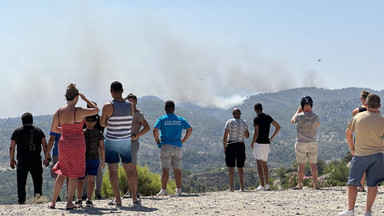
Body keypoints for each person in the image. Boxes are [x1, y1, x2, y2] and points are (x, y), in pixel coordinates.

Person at [48, 83, 99, 209]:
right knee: (74, 174)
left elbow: (54, 129)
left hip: (64, 143)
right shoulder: (79, 111)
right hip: (77, 144)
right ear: (76, 96)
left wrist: (66, 131)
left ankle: (53, 202)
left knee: (62, 172)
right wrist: (86, 99)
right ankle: (69, 202)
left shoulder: (58, 112)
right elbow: (96, 110)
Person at [339, 94, 384, 216]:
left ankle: (350, 210)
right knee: (373, 184)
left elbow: (348, 134)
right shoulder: (382, 120)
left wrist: (352, 148)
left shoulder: (358, 117)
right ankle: (368, 211)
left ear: (366, 105)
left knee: (352, 182)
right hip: (378, 155)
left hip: (360, 154)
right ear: (379, 106)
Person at [100, 81, 139, 206]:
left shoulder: (107, 106)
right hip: (125, 141)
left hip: (111, 141)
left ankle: (118, 199)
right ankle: (134, 197)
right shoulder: (131, 105)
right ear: (122, 90)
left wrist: (109, 122)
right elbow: (130, 119)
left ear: (111, 92)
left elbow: (102, 123)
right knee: (130, 170)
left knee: (113, 171)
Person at [153, 100, 192, 196]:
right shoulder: (180, 119)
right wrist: (183, 140)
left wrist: (157, 141)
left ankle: (163, 190)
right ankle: (178, 190)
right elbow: (190, 129)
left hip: (165, 145)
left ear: (165, 109)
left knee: (165, 170)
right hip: (178, 146)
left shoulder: (162, 119)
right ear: (174, 109)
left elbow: (155, 129)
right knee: (177, 169)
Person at [9, 112, 49, 204]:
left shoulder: (17, 132)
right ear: (32, 120)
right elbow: (45, 145)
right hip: (36, 160)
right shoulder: (38, 131)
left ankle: (21, 201)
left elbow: (12, 146)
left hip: (22, 161)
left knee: (21, 182)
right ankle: (38, 199)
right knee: (37, 180)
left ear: (22, 121)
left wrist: (12, 159)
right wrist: (47, 157)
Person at [123, 93, 150, 198]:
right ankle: (130, 191)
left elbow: (147, 127)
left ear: (135, 102)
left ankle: (135, 192)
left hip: (133, 143)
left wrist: (136, 135)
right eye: (127, 101)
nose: (129, 103)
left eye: (131, 101)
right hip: (123, 143)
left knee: (132, 168)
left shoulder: (138, 114)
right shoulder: (124, 114)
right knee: (126, 168)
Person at [291, 96, 320, 190]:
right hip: (312, 142)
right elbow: (318, 124)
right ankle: (316, 184)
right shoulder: (315, 116)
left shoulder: (299, 116)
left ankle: (299, 185)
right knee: (313, 165)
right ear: (311, 104)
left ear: (302, 105)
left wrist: (297, 112)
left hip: (301, 143)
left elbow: (292, 121)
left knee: (301, 165)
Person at [76, 114, 105, 207]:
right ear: (95, 122)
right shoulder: (98, 133)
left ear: (85, 121)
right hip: (94, 159)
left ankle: (79, 199)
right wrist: (103, 160)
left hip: (82, 159)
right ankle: (89, 199)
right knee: (91, 180)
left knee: (80, 180)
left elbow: (77, 147)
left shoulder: (81, 132)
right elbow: (101, 148)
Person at [251, 103, 280, 191]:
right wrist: (271, 137)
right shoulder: (268, 117)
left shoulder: (256, 119)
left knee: (259, 164)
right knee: (265, 164)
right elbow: (278, 127)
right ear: (262, 109)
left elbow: (256, 133)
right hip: (266, 143)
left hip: (258, 143)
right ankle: (267, 184)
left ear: (255, 110)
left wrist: (252, 142)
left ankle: (262, 185)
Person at [81, 102, 104, 201]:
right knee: (97, 172)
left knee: (84, 174)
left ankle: (84, 194)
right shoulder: (99, 120)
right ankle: (97, 193)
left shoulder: (83, 119)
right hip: (97, 149)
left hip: (83, 151)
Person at [223, 108, 250, 192]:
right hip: (241, 145)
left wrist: (225, 148)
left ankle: (231, 187)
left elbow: (225, 136)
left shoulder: (229, 122)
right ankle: (242, 187)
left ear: (233, 114)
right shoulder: (244, 122)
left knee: (231, 167)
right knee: (240, 167)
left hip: (231, 145)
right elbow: (247, 136)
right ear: (240, 114)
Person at [351, 90, 370, 192]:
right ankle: (372, 186)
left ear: (361, 99)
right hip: (372, 139)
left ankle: (361, 186)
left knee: (361, 163)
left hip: (359, 138)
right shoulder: (376, 111)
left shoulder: (356, 112)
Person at [46, 130, 64, 202]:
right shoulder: (71, 122)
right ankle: (70, 195)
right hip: (69, 151)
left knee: (57, 175)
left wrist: (47, 152)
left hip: (57, 152)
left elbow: (52, 139)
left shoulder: (56, 125)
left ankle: (57, 196)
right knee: (69, 175)